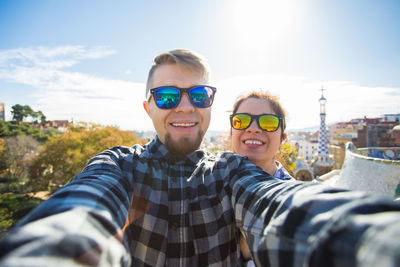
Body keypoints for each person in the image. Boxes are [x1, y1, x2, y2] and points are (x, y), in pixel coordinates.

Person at [1, 49, 400, 267]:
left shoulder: (232, 171)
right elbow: (82, 214)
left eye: (199, 94)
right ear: (148, 108)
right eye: (168, 96)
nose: (185, 107)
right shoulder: (120, 166)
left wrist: (377, 242)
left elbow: (283, 207)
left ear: (211, 104)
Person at [229, 91, 295, 265]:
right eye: (242, 120)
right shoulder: (214, 188)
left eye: (268, 122)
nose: (253, 128)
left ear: (282, 139)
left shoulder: (292, 201)